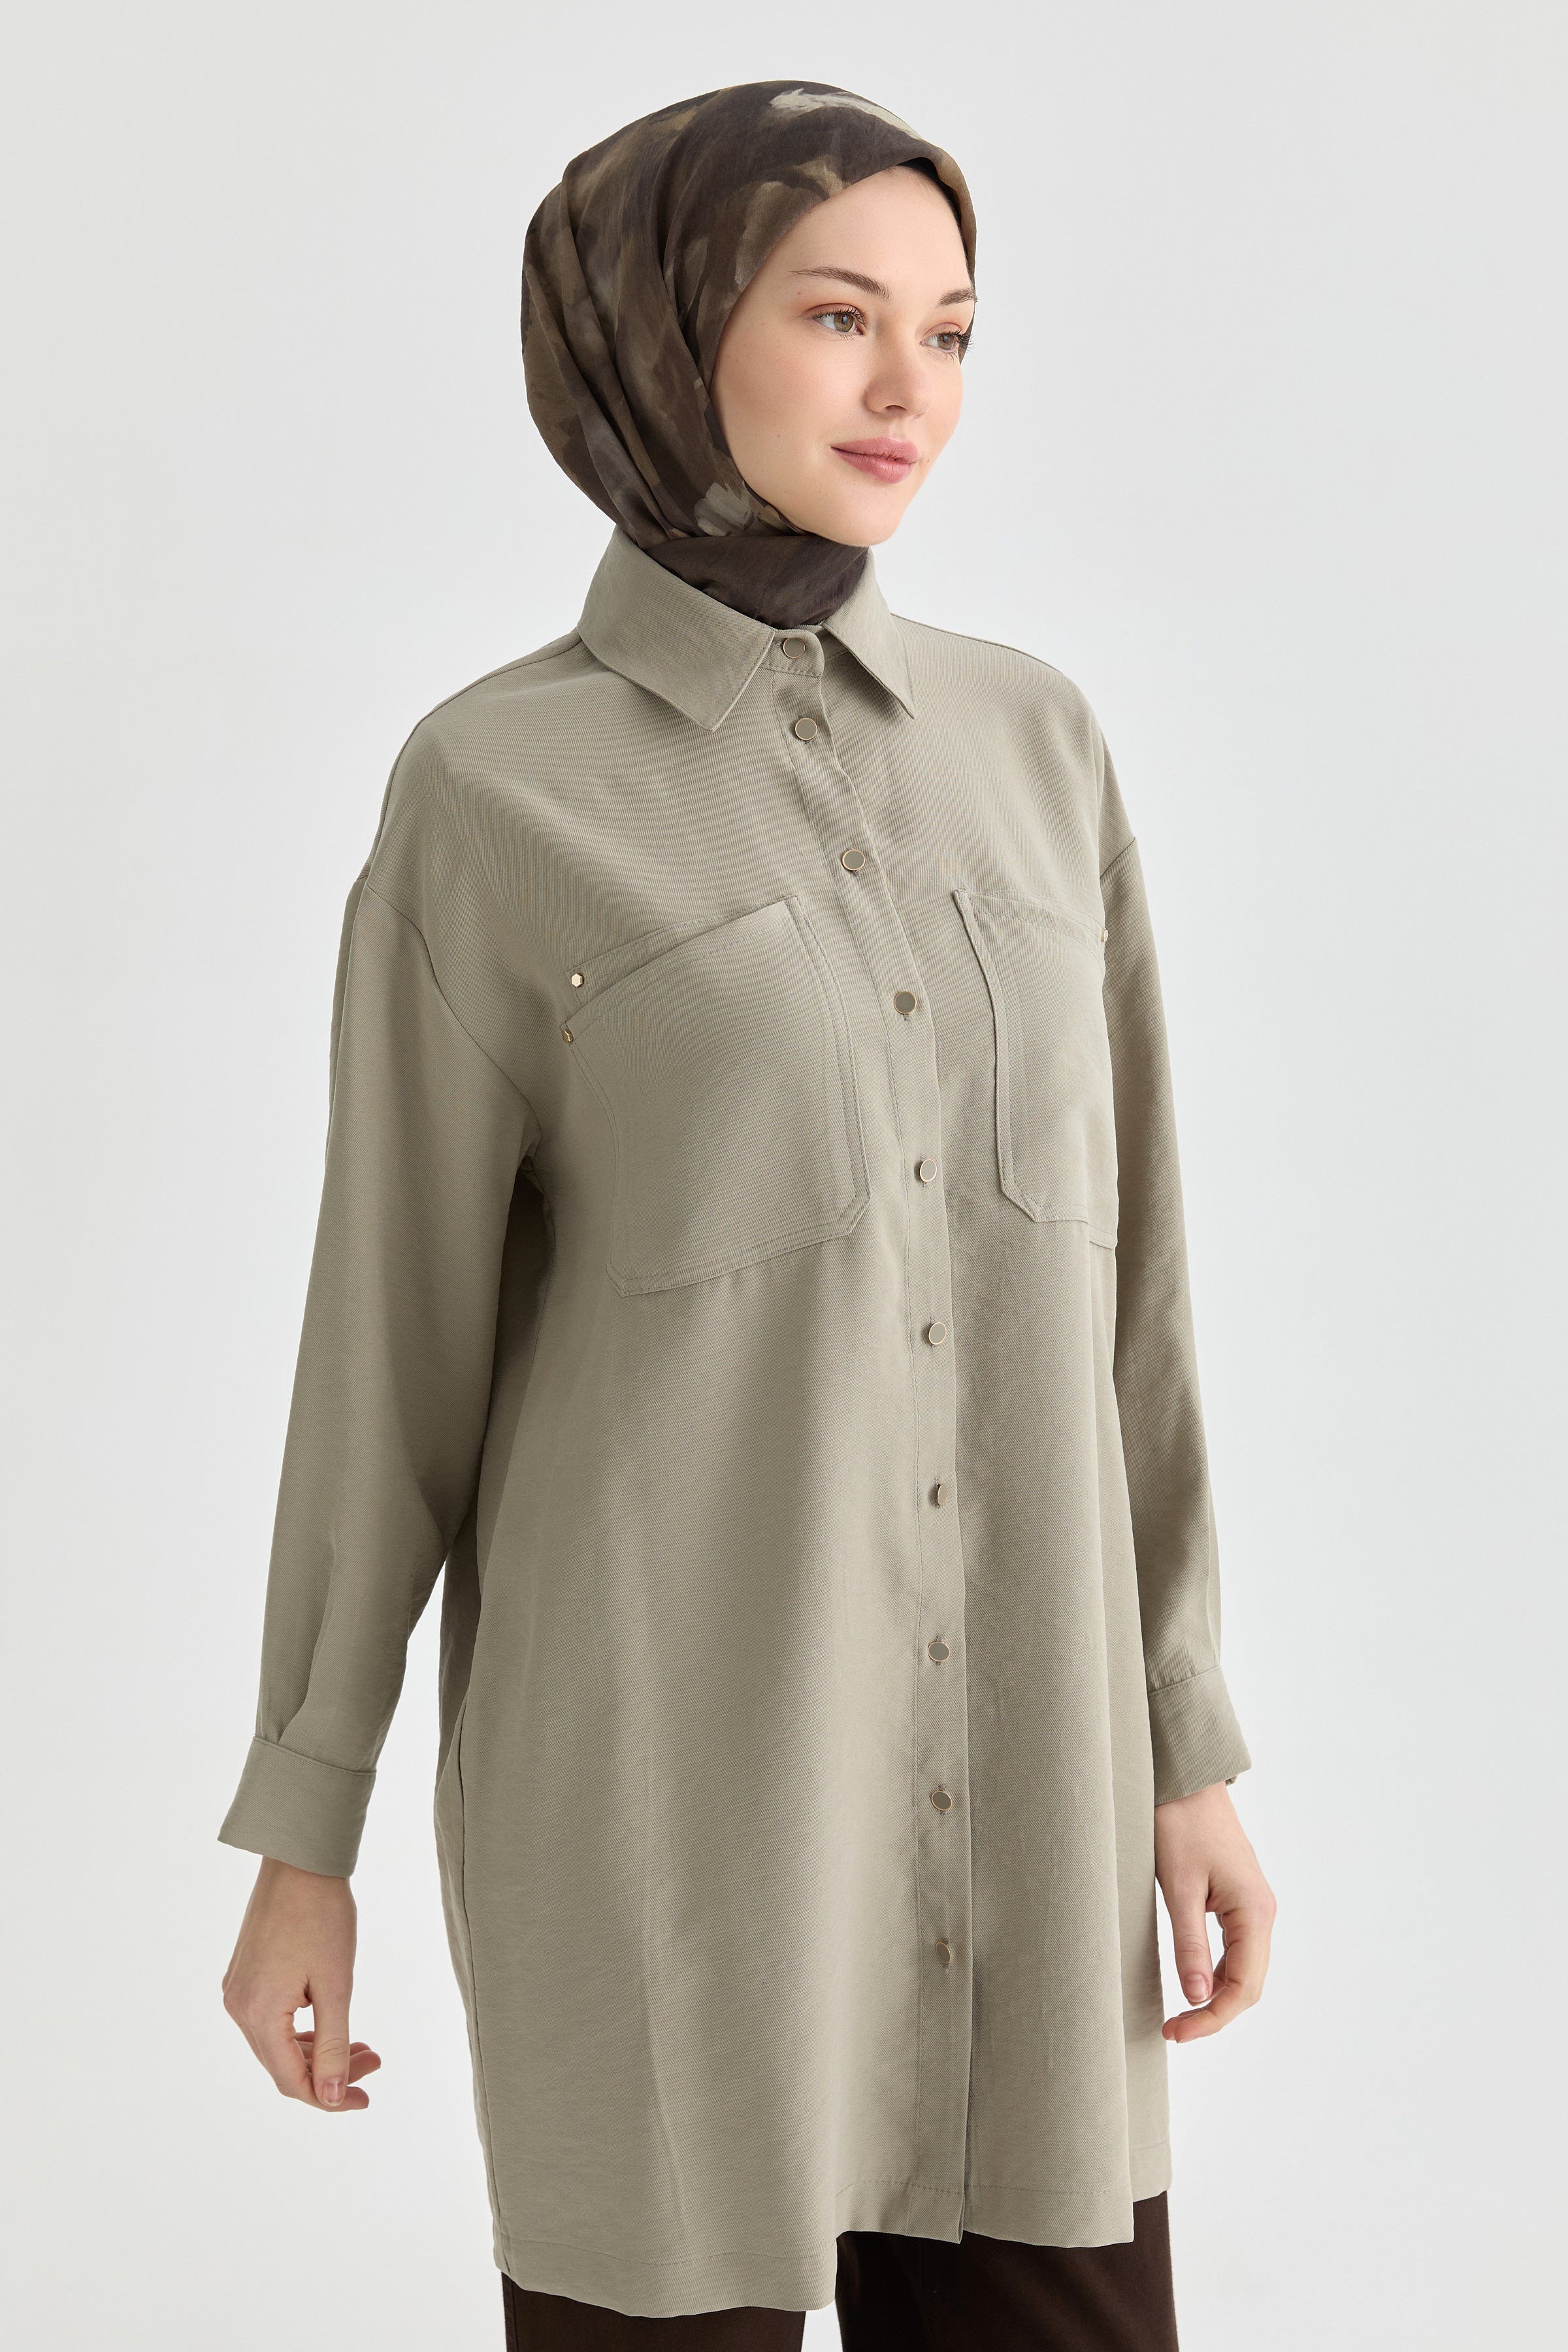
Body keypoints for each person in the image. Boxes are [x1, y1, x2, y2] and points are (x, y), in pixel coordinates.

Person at [219, 79, 1276, 2350]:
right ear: (666, 327)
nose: (912, 390)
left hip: (1035, 1829)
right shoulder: (492, 793)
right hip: (673, 1830)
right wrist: (304, 1832)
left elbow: (1140, 1305)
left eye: (954, 330)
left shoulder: (1042, 750)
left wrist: (1185, 1744)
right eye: (837, 315)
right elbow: (388, 1349)